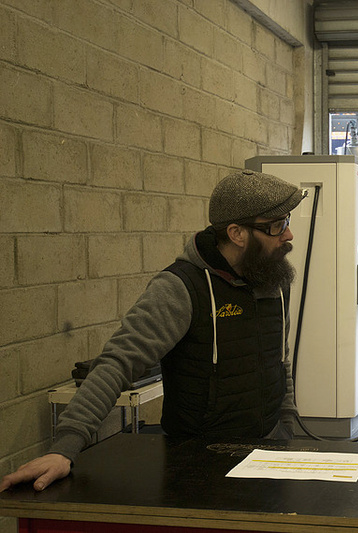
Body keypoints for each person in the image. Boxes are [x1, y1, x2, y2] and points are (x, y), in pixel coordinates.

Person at [1, 169, 305, 492]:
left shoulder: (273, 280)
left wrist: (289, 429)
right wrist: (64, 447)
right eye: (277, 225)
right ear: (236, 233)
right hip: (199, 469)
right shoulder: (181, 289)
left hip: (271, 455)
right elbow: (116, 363)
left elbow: (278, 362)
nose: (288, 236)